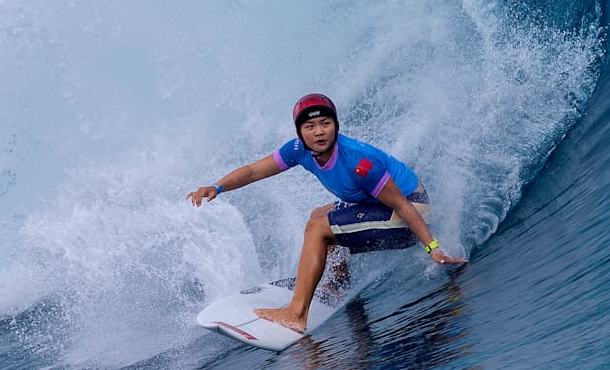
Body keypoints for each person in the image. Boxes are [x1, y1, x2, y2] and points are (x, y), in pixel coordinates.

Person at [189, 93, 465, 332]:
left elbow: (403, 206)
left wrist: (432, 247)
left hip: (410, 210)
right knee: (318, 215)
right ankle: (337, 282)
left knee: (318, 229)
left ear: (336, 126)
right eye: (310, 126)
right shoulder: (300, 150)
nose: (319, 132)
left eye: (325, 123)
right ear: (300, 132)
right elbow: (253, 171)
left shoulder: (358, 162)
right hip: (381, 206)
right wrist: (217, 186)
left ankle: (296, 314)